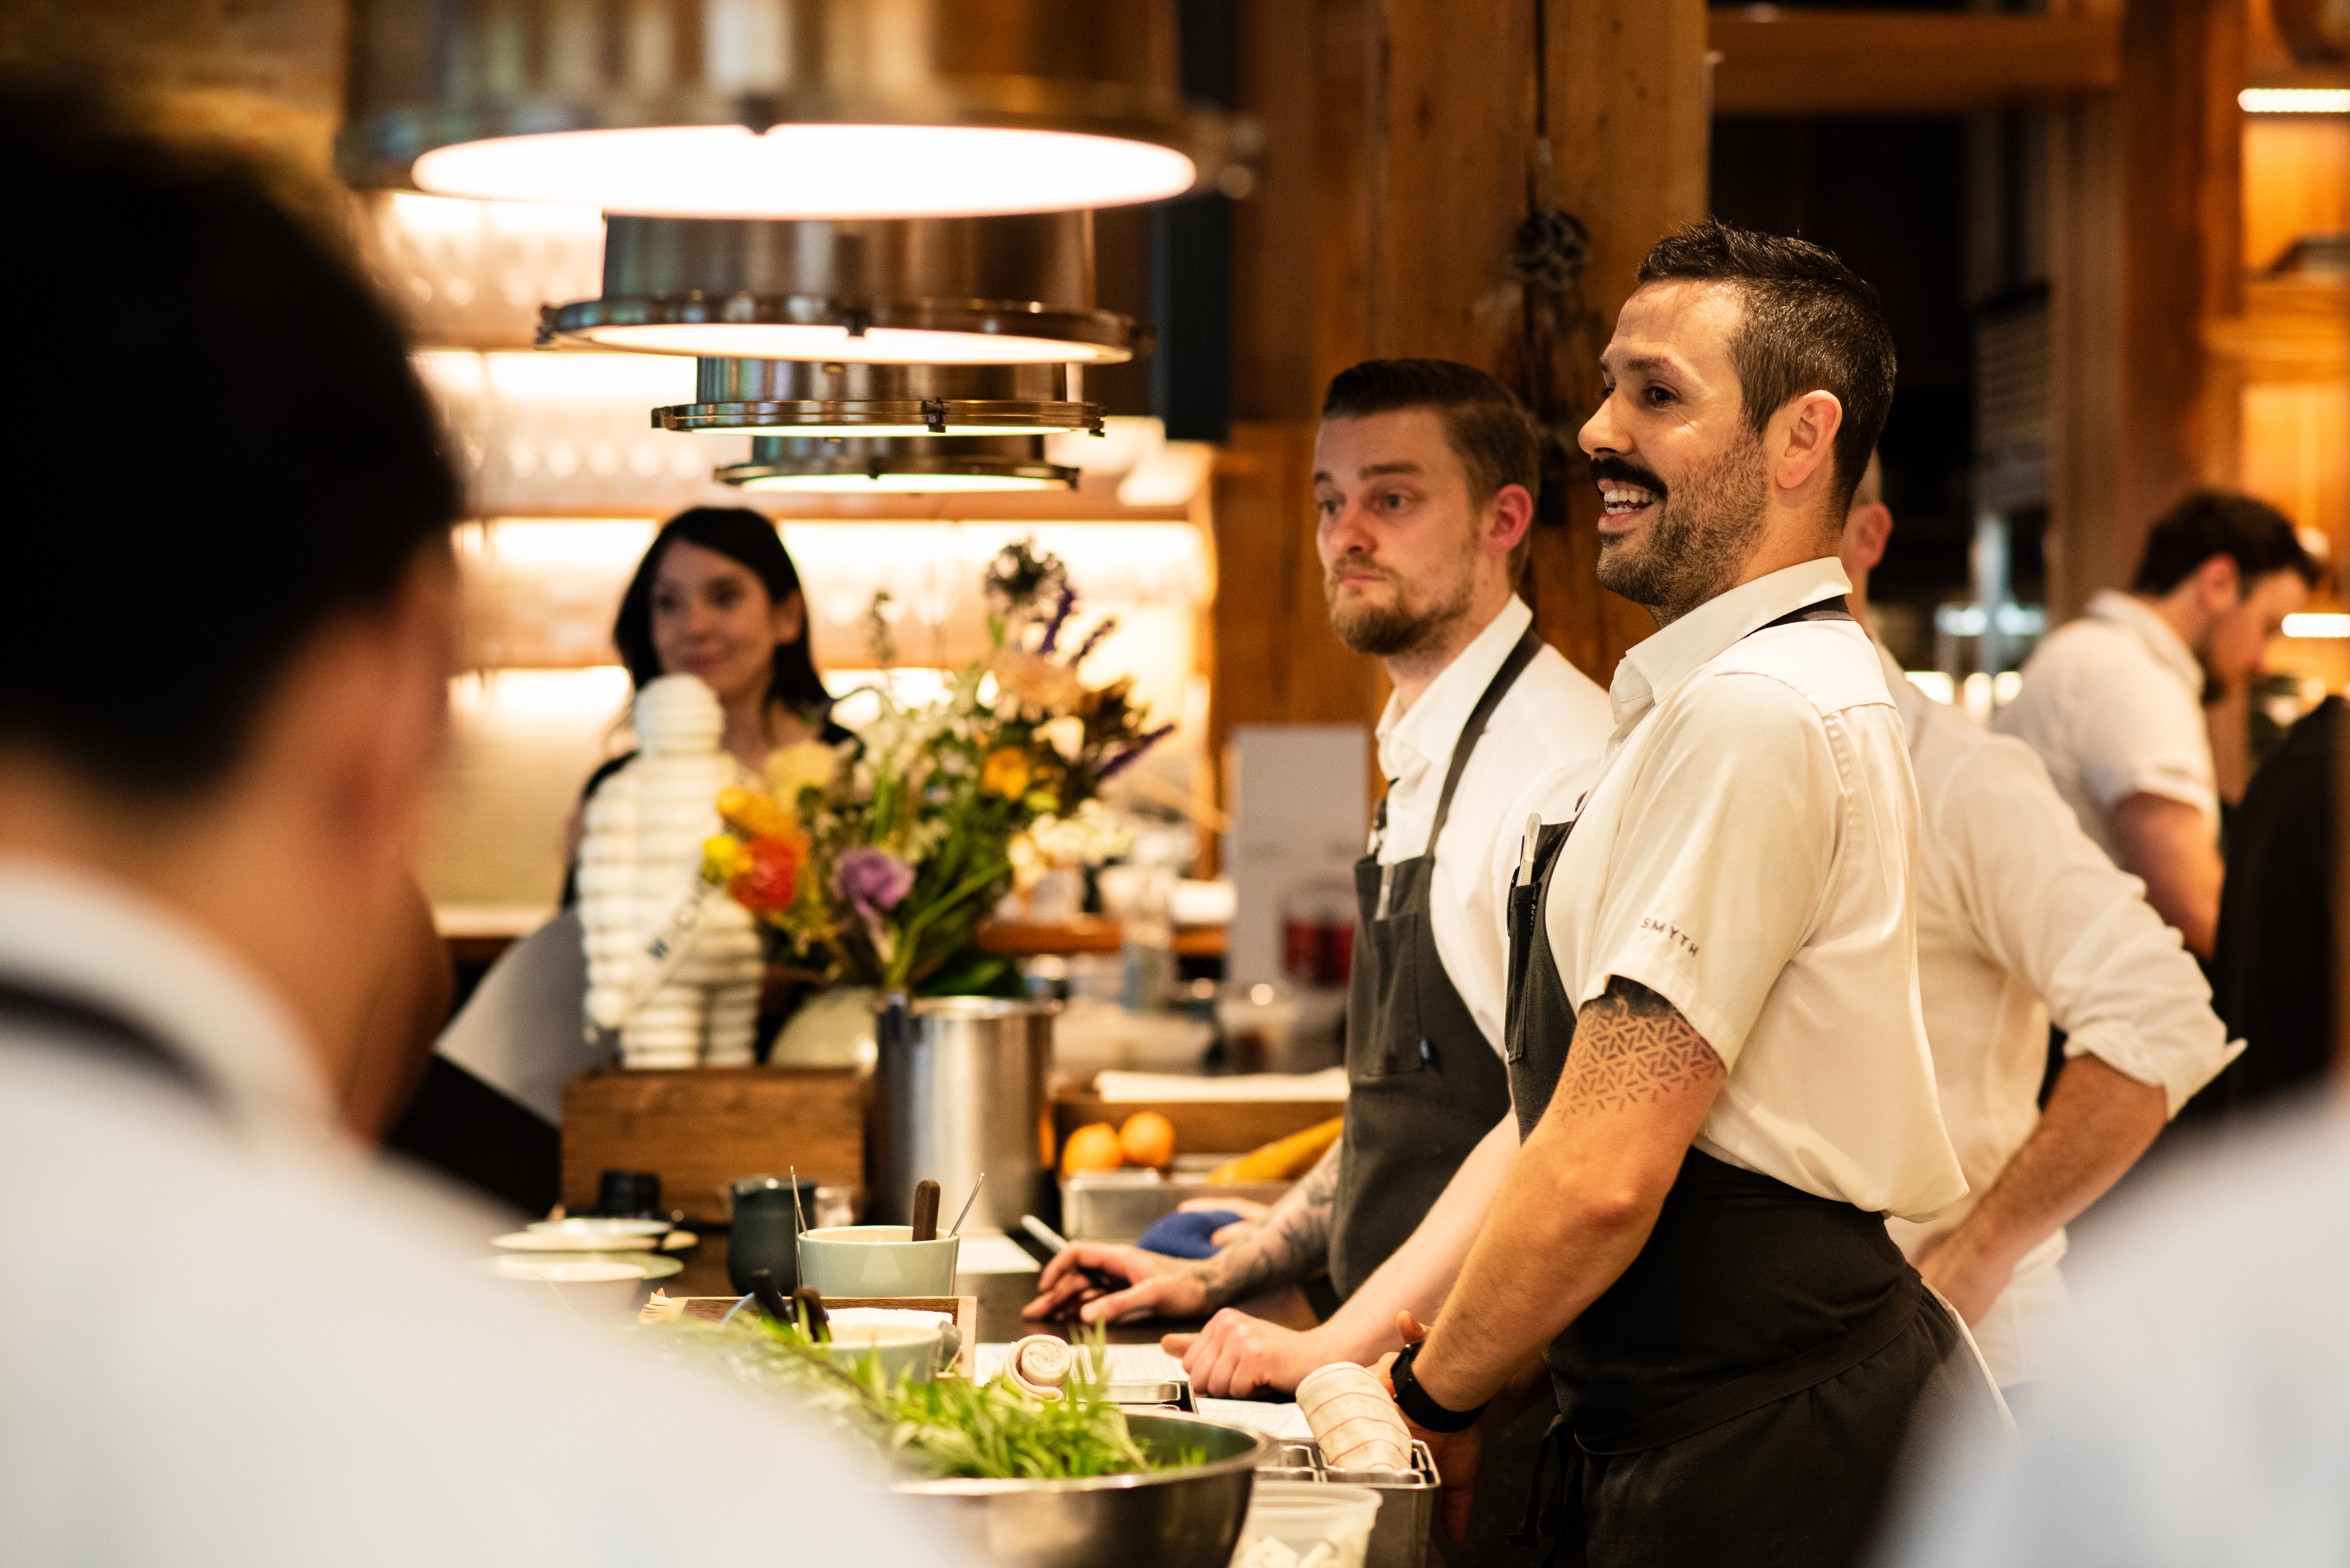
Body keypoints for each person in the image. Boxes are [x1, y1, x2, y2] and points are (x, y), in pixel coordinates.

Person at [0, 81, 962, 1565]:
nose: (692, 624)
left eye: (721, 596)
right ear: (392, 724)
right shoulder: (658, 1489)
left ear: (783, 614)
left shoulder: (843, 775)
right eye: (670, 601)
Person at [1374, 221, 1998, 1567]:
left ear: (1800, 438)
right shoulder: (1710, 699)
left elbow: (1602, 1173)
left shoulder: (1759, 710)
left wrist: (1430, 1398)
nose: (1598, 431)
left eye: (1657, 395)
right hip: (1699, 1417)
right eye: (1611, 388)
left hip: (1772, 1450)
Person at [1026, 361, 1613, 1397]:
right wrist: (1224, 1270)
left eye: (1393, 499)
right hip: (1389, 1365)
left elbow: (1553, 1130)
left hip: (1490, 1394)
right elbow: (1412, 1113)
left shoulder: (1556, 767)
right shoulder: (1427, 752)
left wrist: (1333, 1345)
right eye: (1330, 502)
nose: (1348, 535)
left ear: (1504, 520)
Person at [1839, 454, 2237, 1387]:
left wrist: (1970, 1261)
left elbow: (2166, 1000)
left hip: (1961, 1361)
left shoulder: (1956, 773)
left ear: (1865, 536)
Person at [1873, 1102, 2350, 1568]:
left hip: (1974, 1324)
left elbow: (2154, 1058)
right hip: (1903, 1321)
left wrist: (1974, 1261)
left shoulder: (2178, 1330)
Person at [1992, 491, 2316, 958]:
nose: (2262, 662)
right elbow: (2202, 914)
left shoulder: (2090, 651)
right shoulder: (2132, 678)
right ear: (2219, 583)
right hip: (2071, 991)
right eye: (2267, 627)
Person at [2205, 691, 2341, 1112]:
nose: (2260, 663)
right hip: (2307, 1136)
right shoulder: (2328, 780)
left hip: (2269, 1132)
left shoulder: (2292, 763)